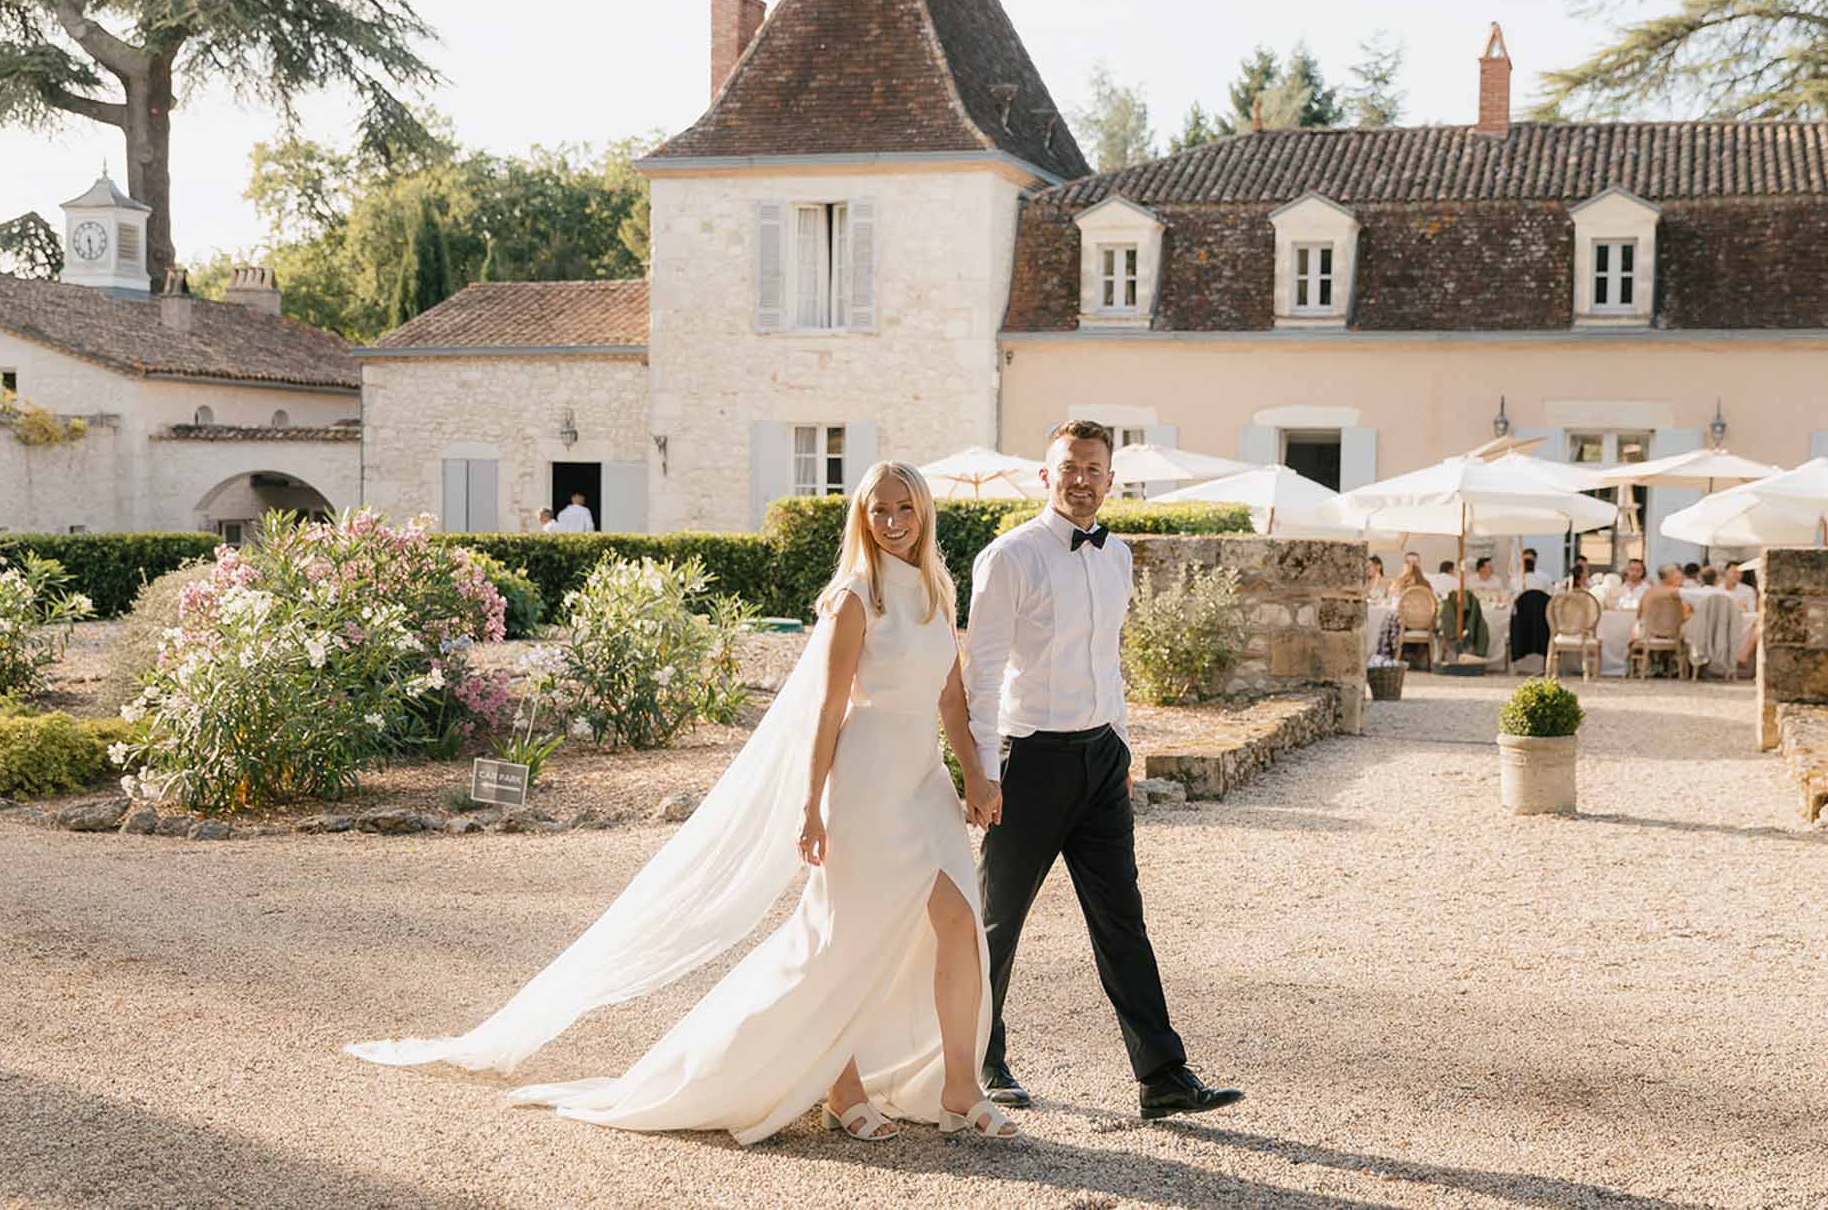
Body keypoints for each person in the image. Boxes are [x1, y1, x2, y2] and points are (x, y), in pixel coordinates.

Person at [346, 461, 1018, 1144]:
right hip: (867, 783)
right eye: (879, 510)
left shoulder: (937, 589)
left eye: (904, 508)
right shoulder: (853, 598)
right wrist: (810, 805)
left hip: (924, 784)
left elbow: (951, 698)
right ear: (862, 518)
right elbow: (826, 709)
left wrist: (976, 775)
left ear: (924, 511)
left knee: (960, 924)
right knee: (843, 942)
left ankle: (959, 1087)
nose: (893, 522)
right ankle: (840, 1085)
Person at [964, 419, 1243, 1122]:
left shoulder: (1116, 556)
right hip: (1027, 761)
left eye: (1094, 469)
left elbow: (1107, 663)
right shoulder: (1009, 557)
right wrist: (982, 769)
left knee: (1124, 922)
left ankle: (1163, 1076)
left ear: (1111, 480)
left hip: (1101, 761)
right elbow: (984, 670)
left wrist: (1121, 748)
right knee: (996, 922)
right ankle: (978, 1060)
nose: (1081, 480)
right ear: (1045, 475)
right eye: (1069, 468)